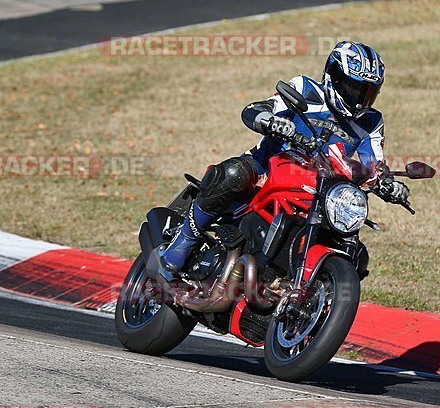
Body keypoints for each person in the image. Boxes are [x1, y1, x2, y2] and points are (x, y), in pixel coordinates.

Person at [159, 40, 410, 274]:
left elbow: (372, 163)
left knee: (356, 253)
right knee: (234, 173)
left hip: (320, 191)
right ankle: (184, 240)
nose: (359, 99)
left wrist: (387, 183)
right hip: (267, 170)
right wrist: (269, 120)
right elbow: (257, 109)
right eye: (353, 88)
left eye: (367, 91)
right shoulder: (306, 89)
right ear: (333, 76)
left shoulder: (372, 121)